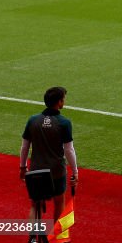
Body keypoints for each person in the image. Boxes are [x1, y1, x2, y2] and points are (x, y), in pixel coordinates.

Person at [20, 87, 78, 230]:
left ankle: (33, 238)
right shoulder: (64, 123)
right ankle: (57, 237)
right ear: (59, 102)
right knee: (59, 202)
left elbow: (24, 146)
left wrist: (23, 167)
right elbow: (68, 149)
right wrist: (75, 171)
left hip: (36, 169)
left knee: (35, 205)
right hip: (56, 171)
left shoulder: (33, 120)